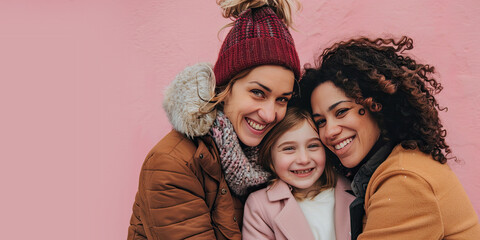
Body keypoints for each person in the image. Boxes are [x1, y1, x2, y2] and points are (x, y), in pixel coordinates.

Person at [127, 0, 301, 239]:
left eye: (282, 99)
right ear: (225, 87)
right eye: (258, 93)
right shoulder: (173, 164)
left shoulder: (275, 157)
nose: (270, 114)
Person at [300, 36, 480, 240]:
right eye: (321, 121)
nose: (330, 131)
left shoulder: (405, 181)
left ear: (376, 105)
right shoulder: (397, 163)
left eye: (341, 112)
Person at [242, 107, 354, 240]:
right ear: (270, 157)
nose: (304, 159)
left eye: (313, 146)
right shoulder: (260, 206)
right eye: (289, 148)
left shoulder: (354, 189)